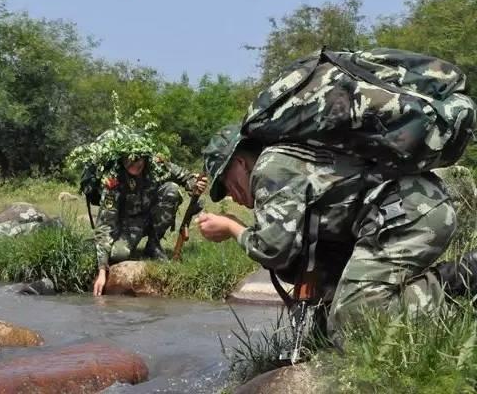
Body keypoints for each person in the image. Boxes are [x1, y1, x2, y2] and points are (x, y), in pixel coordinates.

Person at [197, 124, 475, 333]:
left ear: (239, 162)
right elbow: (307, 256)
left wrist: (233, 228)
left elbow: (274, 251)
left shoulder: (270, 167)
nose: (231, 195)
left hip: (409, 215)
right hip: (406, 211)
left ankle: (463, 277)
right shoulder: (286, 159)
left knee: (355, 322)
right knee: (338, 320)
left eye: (225, 183)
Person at [92, 154, 207, 296]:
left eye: (138, 159)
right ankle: (97, 247)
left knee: (172, 188)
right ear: (122, 159)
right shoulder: (113, 179)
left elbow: (185, 176)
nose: (135, 164)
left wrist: (194, 185)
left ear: (145, 158)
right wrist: (102, 270)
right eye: (130, 160)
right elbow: (105, 224)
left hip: (152, 216)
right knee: (118, 254)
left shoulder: (157, 165)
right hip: (128, 224)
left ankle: (153, 244)